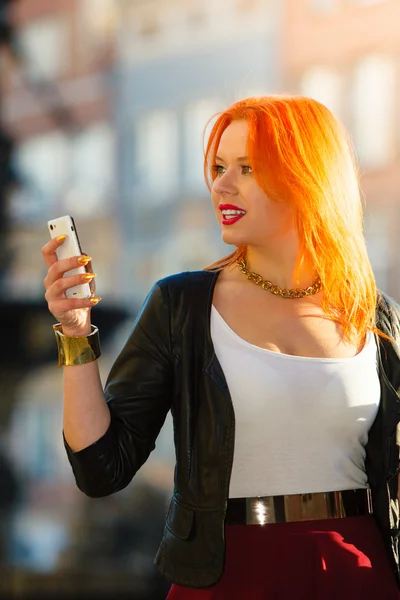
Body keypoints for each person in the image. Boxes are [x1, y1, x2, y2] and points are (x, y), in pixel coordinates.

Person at [42, 96, 400, 599]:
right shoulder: (182, 304)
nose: (221, 185)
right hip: (230, 574)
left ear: (306, 176)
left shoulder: (377, 316)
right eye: (217, 167)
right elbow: (102, 468)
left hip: (356, 573)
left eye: (247, 168)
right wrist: (76, 333)